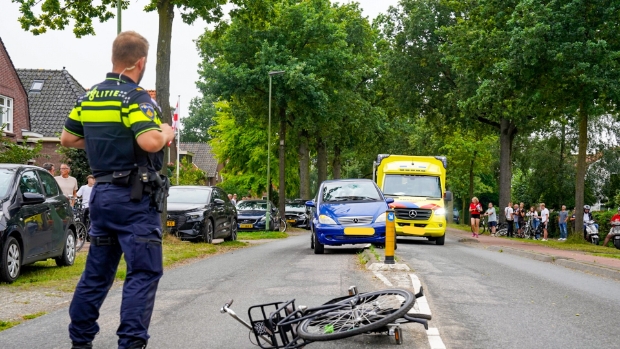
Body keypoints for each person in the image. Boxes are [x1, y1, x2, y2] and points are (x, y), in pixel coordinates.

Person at [60, 31, 175, 349]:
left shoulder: (90, 96)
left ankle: (80, 342)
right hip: (133, 199)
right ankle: (131, 344)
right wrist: (166, 132)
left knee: (97, 274)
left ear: (114, 59)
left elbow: (67, 139)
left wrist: (103, 142)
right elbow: (150, 141)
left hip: (102, 198)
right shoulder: (134, 97)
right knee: (142, 272)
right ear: (140, 62)